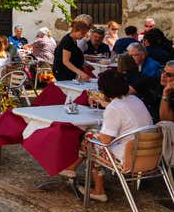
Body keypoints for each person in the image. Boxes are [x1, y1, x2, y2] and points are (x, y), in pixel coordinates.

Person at [68, 70, 153, 202]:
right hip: (151, 156)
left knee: (89, 139)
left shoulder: (114, 108)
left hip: (130, 158)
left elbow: (105, 141)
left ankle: (97, 189)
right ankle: (71, 168)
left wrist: (92, 133)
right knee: (93, 138)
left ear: (103, 90)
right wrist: (104, 104)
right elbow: (122, 110)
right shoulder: (135, 100)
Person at [116, 53, 159, 120]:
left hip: (139, 112)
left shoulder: (125, 78)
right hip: (146, 109)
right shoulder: (141, 75)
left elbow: (122, 94)